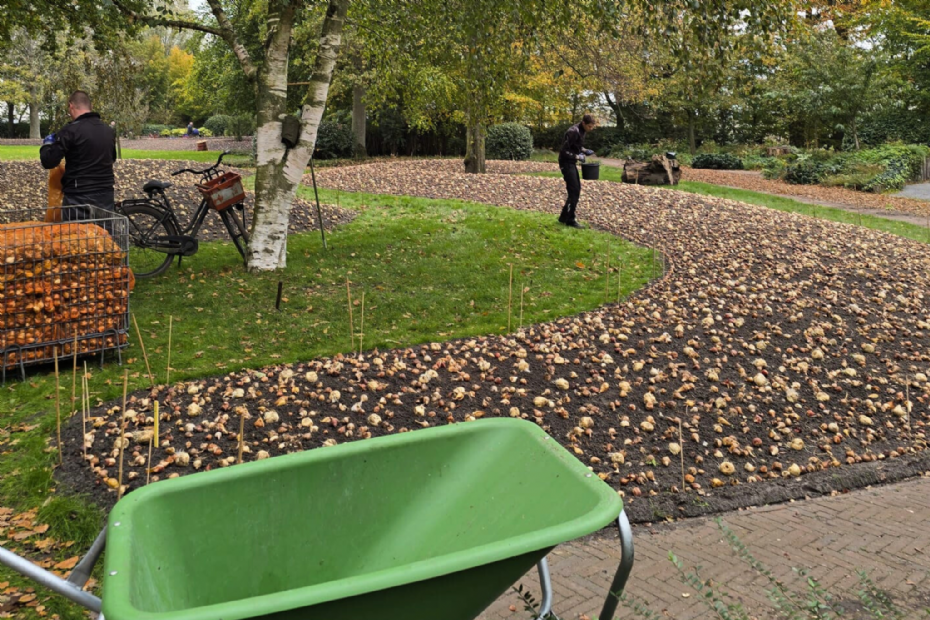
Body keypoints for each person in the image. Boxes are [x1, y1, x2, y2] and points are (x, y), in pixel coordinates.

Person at [40, 90, 116, 222]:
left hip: (79, 196)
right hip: (105, 193)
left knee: (77, 239)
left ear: (71, 106)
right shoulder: (108, 131)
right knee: (104, 238)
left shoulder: (70, 131)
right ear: (90, 106)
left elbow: (49, 161)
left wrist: (47, 145)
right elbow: (112, 158)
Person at [557, 114, 596, 228]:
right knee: (574, 190)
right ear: (583, 123)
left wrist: (584, 150)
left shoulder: (582, 131)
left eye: (592, 127)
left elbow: (575, 146)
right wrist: (577, 157)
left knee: (576, 189)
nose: (591, 129)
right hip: (565, 162)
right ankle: (570, 219)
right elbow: (564, 151)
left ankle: (564, 217)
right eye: (589, 126)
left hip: (571, 163)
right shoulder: (573, 131)